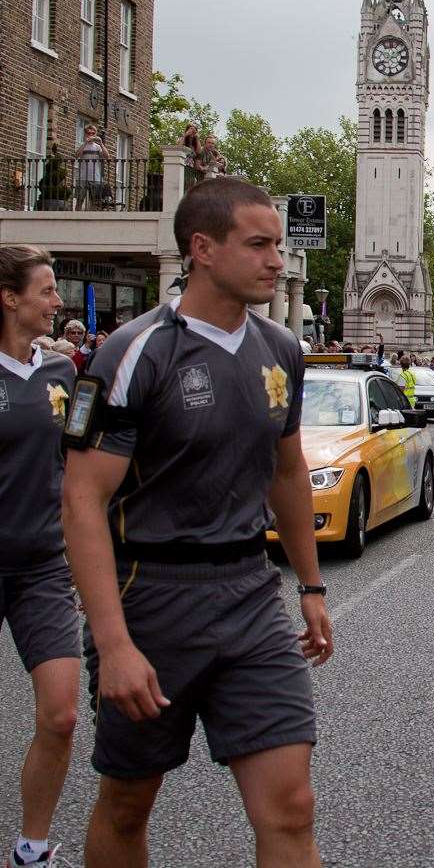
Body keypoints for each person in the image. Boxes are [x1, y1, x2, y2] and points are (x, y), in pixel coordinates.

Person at [63, 178, 332, 867]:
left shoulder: (281, 348)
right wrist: (113, 642)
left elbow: (287, 470)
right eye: (259, 244)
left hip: (249, 594)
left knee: (292, 806)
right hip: (150, 598)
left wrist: (310, 584)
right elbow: (82, 499)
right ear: (203, 248)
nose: (277, 260)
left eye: (278, 243)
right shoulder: (132, 352)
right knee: (128, 802)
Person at [0, 246, 79, 866]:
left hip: (42, 568)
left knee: (59, 715)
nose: (57, 302)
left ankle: (31, 848)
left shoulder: (62, 375)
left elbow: (83, 465)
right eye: (47, 290)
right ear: (10, 298)